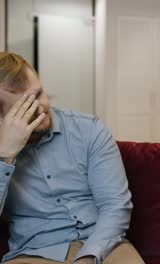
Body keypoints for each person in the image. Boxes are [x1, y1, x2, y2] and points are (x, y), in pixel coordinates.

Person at [0, 51, 144, 264]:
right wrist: (5, 157)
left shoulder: (89, 129)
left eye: (39, 94)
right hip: (33, 252)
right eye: (26, 106)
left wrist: (88, 256)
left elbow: (115, 205)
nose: (40, 107)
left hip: (102, 245)